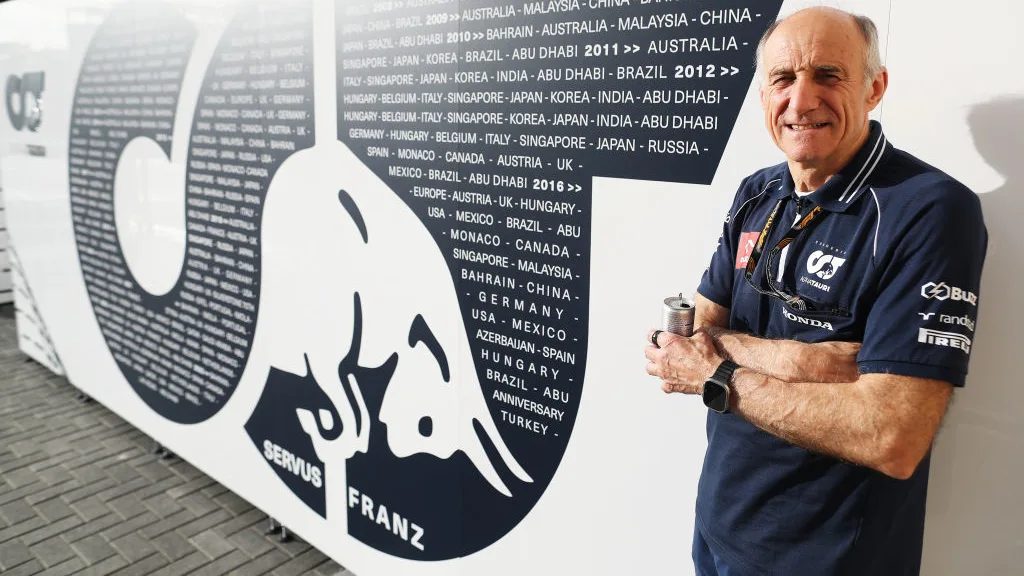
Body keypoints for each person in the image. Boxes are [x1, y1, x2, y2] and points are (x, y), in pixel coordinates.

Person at [644, 7, 987, 576]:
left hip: (828, 558)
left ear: (875, 88)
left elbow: (892, 435)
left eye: (828, 75)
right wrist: (803, 359)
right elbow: (689, 338)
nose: (801, 102)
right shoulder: (758, 192)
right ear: (763, 96)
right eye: (783, 79)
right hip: (719, 527)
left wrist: (718, 374)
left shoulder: (929, 209)